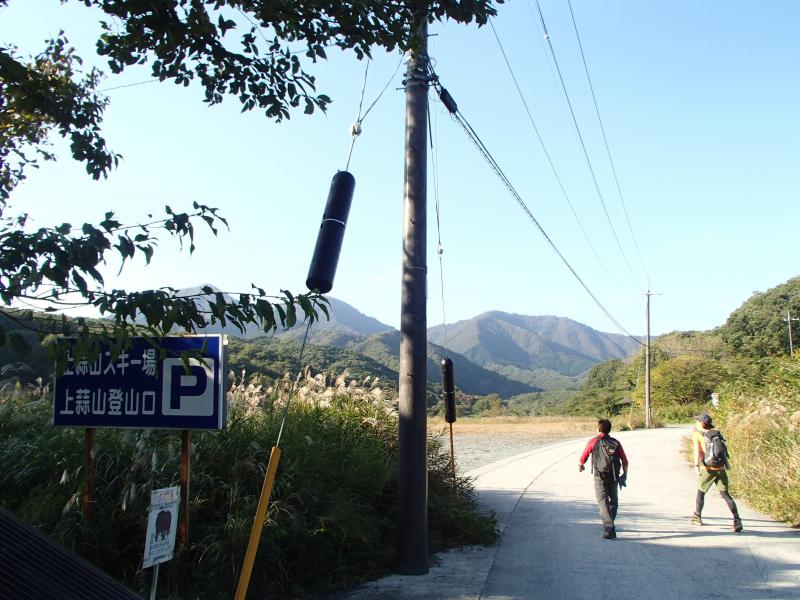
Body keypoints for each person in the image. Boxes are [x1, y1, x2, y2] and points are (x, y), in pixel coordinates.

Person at [691, 413, 743, 532]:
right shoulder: (717, 433)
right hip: (720, 468)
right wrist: (727, 464)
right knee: (725, 494)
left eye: (698, 420)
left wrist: (697, 466)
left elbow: (698, 452)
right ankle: (737, 520)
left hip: (707, 469)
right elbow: (723, 450)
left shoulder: (698, 434)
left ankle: (697, 517)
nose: (696, 422)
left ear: (702, 423)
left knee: (701, 492)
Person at [578, 418, 629, 539]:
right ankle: (610, 522)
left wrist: (581, 465)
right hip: (614, 475)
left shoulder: (593, 441)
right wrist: (625, 475)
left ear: (598, 429)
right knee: (613, 500)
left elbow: (583, 457)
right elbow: (625, 461)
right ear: (609, 429)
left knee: (602, 501)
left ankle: (609, 527)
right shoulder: (616, 443)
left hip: (599, 476)